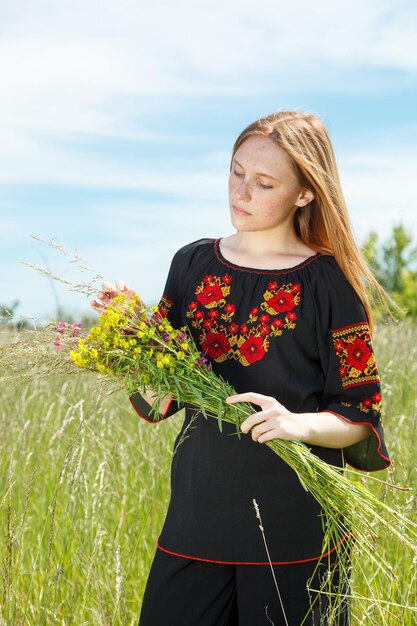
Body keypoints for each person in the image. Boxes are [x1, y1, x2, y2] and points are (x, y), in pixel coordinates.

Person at [91, 110, 391, 626]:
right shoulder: (190, 264)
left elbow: (360, 413)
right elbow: (161, 396)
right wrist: (134, 340)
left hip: (296, 533)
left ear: (305, 193)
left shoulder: (330, 286)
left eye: (264, 182)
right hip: (195, 520)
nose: (241, 192)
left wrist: (298, 425)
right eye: (236, 172)